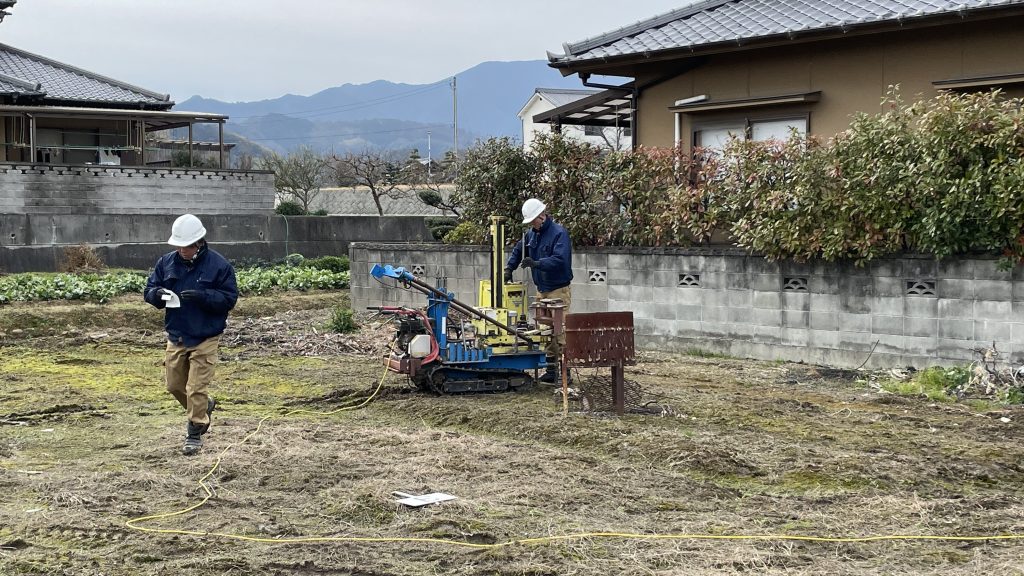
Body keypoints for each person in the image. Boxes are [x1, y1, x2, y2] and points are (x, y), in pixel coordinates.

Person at [144, 214, 238, 456]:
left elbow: (230, 299)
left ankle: (195, 431)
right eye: (178, 246)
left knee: (196, 387)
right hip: (177, 333)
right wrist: (157, 295)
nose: (182, 250)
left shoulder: (219, 266)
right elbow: (149, 290)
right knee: (174, 385)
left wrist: (204, 296)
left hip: (206, 336)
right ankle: (204, 407)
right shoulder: (166, 263)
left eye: (186, 246)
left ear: (199, 243)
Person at [505, 198, 573, 383]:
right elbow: (519, 249)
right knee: (545, 330)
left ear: (542, 216)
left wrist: (537, 263)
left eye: (533, 220)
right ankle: (551, 370)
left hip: (558, 289)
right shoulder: (531, 234)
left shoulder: (559, 234)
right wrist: (509, 268)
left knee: (560, 330)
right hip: (542, 289)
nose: (532, 224)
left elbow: (560, 260)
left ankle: (566, 372)